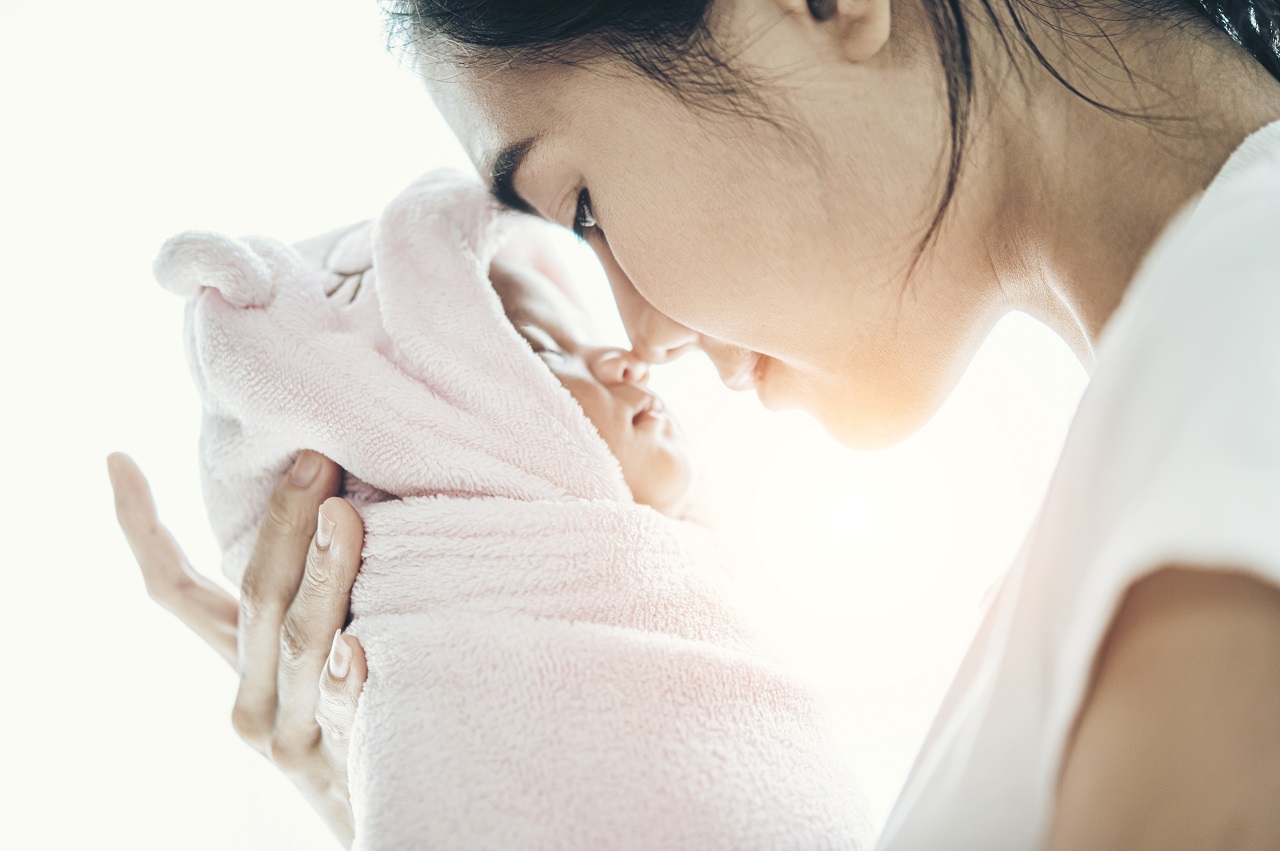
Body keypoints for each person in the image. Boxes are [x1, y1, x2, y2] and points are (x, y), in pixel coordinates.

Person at [113, 0, 1280, 847]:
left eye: (580, 208)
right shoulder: (1157, 439)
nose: (629, 326)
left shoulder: (1245, 305)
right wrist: (439, 780)